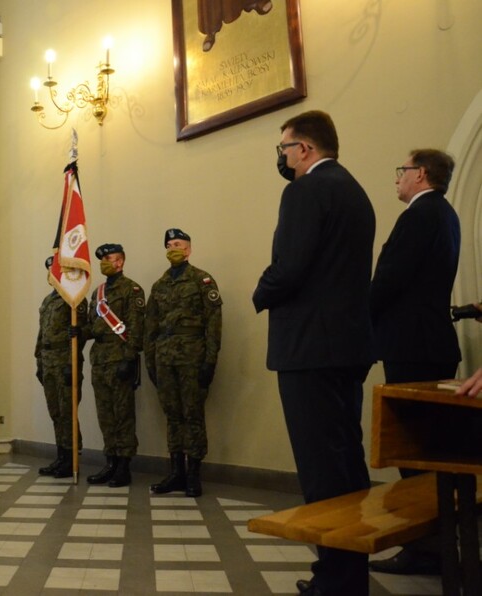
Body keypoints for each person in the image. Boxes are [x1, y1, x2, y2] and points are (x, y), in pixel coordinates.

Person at [252, 110, 375, 596]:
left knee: (322, 469)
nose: (281, 158)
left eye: (284, 148)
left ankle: (336, 579)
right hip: (346, 344)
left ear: (304, 149)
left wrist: (259, 293)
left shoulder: (305, 189)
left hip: (309, 347)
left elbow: (291, 266)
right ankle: (350, 572)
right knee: (346, 461)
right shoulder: (355, 191)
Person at [368, 149, 461, 576]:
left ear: (420, 174)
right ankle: (437, 546)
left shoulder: (420, 216)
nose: (397, 179)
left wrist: (359, 315)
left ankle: (426, 551)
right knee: (432, 449)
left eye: (401, 171)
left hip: (413, 347)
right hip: (430, 342)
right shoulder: (445, 214)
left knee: (416, 452)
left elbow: (391, 278)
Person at [145, 229, 222, 497]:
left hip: (192, 358)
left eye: (177, 244)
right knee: (172, 415)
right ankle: (176, 471)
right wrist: (151, 363)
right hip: (164, 358)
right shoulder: (159, 285)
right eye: (168, 245)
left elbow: (214, 324)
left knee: (193, 414)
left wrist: (210, 361)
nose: (172, 248)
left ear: (188, 249)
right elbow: (150, 328)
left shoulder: (202, 280)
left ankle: (193, 474)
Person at [86, 243, 145, 488]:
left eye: (109, 258)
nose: (105, 263)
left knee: (123, 416)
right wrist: (79, 331)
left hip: (120, 358)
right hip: (99, 360)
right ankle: (110, 462)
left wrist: (129, 358)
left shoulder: (132, 290)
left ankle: (123, 467)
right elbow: (93, 325)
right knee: (105, 416)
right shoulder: (97, 293)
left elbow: (136, 327)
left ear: (120, 262)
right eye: (102, 259)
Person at [35, 256, 87, 478]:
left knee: (67, 411)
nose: (51, 274)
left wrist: (71, 363)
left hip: (65, 359)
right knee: (55, 411)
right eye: (49, 270)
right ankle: (61, 455)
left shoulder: (74, 300)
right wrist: (39, 361)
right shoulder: (48, 301)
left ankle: (71, 457)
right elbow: (42, 334)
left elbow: (81, 333)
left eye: (55, 269)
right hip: (48, 361)